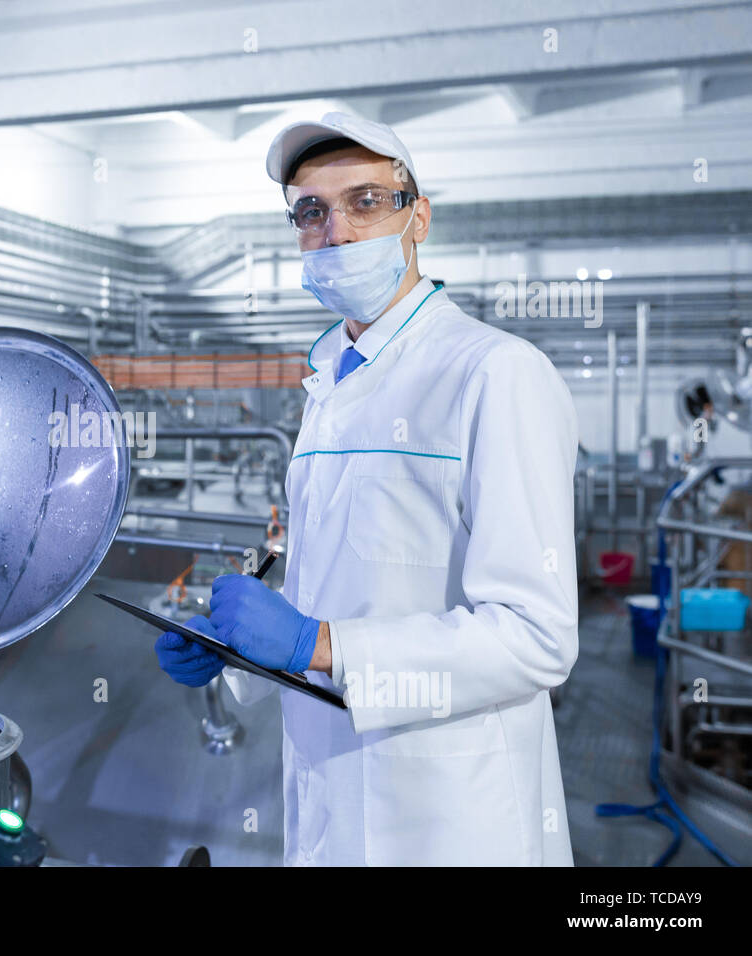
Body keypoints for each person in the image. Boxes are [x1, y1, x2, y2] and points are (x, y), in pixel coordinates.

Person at [154, 112, 579, 866]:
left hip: (447, 816)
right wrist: (243, 651)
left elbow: (538, 638)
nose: (338, 232)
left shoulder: (494, 372)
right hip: (330, 793)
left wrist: (314, 643)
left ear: (419, 215)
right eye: (311, 212)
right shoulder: (330, 385)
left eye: (365, 200)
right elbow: (338, 590)